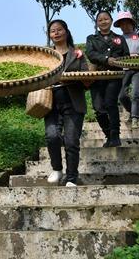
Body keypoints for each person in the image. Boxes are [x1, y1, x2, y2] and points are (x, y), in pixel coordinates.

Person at [45, 20, 89, 187]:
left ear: (66, 31)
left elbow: (86, 77)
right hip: (50, 102)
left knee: (71, 141)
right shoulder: (46, 54)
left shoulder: (77, 53)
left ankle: (71, 178)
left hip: (73, 101)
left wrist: (74, 77)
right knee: (52, 136)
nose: (56, 33)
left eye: (59, 30)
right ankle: (57, 169)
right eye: (52, 31)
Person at [86, 10, 130, 147]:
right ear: (97, 23)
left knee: (110, 103)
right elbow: (91, 54)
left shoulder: (119, 38)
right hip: (97, 77)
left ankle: (115, 136)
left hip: (114, 76)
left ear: (111, 21)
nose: (103, 21)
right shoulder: (91, 39)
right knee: (98, 107)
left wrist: (116, 61)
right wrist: (106, 59)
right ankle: (108, 135)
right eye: (100, 20)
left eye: (106, 19)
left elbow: (126, 55)